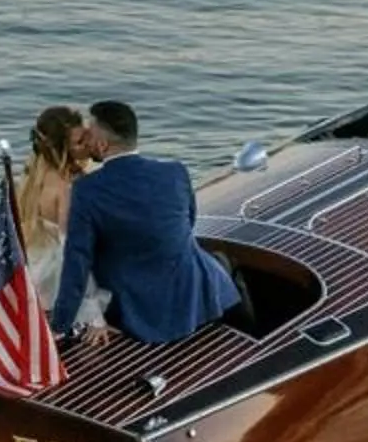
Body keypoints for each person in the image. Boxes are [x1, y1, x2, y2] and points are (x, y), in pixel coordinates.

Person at [48, 99, 240, 349]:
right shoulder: (175, 171)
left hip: (141, 313)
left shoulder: (87, 190)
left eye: (90, 135)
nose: (87, 140)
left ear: (103, 144)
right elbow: (189, 222)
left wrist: (59, 326)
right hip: (201, 295)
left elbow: (78, 263)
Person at [17, 104, 109, 335]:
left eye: (86, 137)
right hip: (58, 282)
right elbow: (72, 254)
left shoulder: (30, 179)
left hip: (35, 271)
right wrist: (95, 316)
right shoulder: (67, 188)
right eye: (79, 142)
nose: (87, 146)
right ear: (60, 149)